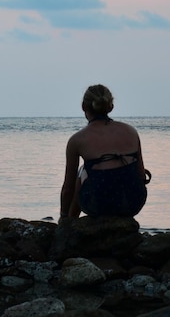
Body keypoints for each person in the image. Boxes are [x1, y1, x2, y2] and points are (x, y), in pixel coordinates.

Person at [60, 85, 150, 221]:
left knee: (82, 171)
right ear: (111, 106)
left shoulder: (77, 140)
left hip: (98, 205)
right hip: (133, 202)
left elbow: (68, 188)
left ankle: (69, 221)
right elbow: (141, 175)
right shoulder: (130, 131)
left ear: (83, 106)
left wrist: (63, 213)